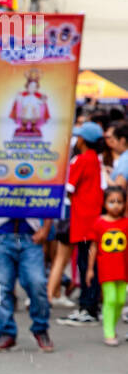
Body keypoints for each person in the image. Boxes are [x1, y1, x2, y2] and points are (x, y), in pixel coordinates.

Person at [0, 211, 54, 353]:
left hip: (30, 234)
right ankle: (5, 332)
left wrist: (46, 228)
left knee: (37, 282)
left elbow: (51, 193)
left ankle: (41, 328)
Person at [57, 122, 104, 326]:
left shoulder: (82, 160)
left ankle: (87, 307)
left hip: (83, 220)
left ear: (83, 140)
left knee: (86, 266)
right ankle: (91, 305)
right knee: (90, 265)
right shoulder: (94, 159)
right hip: (92, 218)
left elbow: (68, 188)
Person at [86, 186, 128, 346]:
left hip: (123, 269)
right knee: (110, 299)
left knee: (120, 300)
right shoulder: (99, 223)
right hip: (107, 269)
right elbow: (94, 247)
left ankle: (112, 326)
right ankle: (108, 331)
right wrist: (90, 269)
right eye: (112, 201)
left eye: (119, 202)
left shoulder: (126, 223)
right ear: (104, 203)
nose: (116, 205)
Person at [105, 121, 128, 192]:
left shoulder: (126, 158)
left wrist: (105, 175)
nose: (112, 144)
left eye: (114, 140)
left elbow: (119, 188)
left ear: (122, 141)